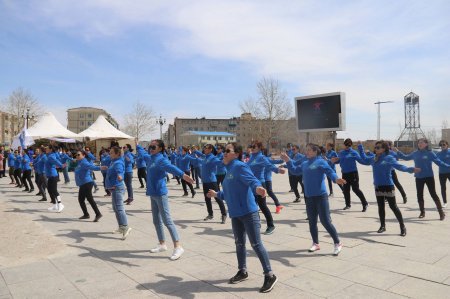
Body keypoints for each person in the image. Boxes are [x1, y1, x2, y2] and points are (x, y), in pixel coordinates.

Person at [207, 142, 278, 293]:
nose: (224, 153)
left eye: (227, 151)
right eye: (224, 151)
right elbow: (228, 193)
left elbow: (252, 180)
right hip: (236, 215)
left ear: (237, 154)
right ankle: (243, 271)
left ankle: (270, 275)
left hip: (248, 213)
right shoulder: (229, 169)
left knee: (256, 244)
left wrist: (258, 188)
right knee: (239, 244)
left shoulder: (239, 166)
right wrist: (216, 194)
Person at [281, 143, 345, 255]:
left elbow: (330, 171)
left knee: (325, 221)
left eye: (309, 150)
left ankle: (337, 242)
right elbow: (295, 170)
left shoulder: (320, 162)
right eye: (307, 150)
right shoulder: (305, 163)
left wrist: (336, 179)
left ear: (315, 152)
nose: (307, 152)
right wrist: (288, 161)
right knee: (312, 222)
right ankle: (316, 243)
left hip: (321, 196)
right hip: (309, 197)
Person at [136, 141, 195, 260]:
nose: (151, 149)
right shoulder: (151, 158)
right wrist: (136, 144)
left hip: (160, 193)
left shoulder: (161, 160)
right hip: (152, 193)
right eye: (150, 147)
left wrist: (184, 176)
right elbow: (142, 153)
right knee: (156, 220)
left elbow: (171, 168)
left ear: (160, 148)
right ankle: (162, 244)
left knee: (167, 221)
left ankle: (178, 246)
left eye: (153, 147)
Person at [358, 141, 420, 236]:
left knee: (393, 207)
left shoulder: (389, 158)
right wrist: (360, 147)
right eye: (375, 147)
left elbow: (399, 166)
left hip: (388, 186)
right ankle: (382, 226)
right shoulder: (373, 158)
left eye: (378, 147)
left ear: (384, 148)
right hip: (378, 186)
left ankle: (402, 226)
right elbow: (364, 159)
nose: (376, 149)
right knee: (381, 207)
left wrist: (410, 169)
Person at [395, 138, 449, 220]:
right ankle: (422, 212)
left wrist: (448, 166)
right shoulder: (415, 153)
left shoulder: (430, 153)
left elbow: (439, 162)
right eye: (419, 142)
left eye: (421, 142)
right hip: (419, 177)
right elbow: (405, 157)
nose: (419, 144)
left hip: (429, 177)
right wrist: (398, 151)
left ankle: (441, 212)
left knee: (433, 194)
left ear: (426, 144)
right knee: (419, 194)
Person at [246, 141, 284, 235]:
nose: (252, 147)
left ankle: (271, 225)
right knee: (252, 206)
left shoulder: (261, 157)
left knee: (262, 206)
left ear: (259, 147)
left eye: (253, 146)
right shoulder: (252, 157)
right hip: (251, 184)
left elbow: (269, 165)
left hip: (260, 184)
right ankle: (256, 224)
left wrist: (278, 170)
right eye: (251, 146)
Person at [192, 144, 228, 223]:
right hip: (205, 182)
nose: (204, 149)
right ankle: (210, 214)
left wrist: (226, 160)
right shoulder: (205, 157)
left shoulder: (213, 158)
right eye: (204, 148)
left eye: (206, 148)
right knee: (207, 198)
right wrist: (196, 156)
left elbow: (220, 163)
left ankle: (224, 214)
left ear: (211, 149)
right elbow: (201, 160)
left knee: (217, 198)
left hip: (212, 181)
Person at [331, 138, 369, 211]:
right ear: (344, 144)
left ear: (351, 145)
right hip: (344, 174)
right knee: (346, 190)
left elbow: (361, 161)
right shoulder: (341, 153)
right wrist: (334, 161)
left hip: (353, 173)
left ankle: (365, 203)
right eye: (346, 145)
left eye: (349, 145)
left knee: (355, 189)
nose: (347, 146)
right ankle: (347, 205)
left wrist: (369, 162)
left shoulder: (354, 152)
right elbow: (339, 161)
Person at [103, 146, 131, 240]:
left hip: (118, 187)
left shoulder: (118, 162)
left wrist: (120, 176)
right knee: (115, 208)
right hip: (113, 188)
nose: (110, 154)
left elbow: (120, 172)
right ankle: (121, 227)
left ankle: (126, 227)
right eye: (109, 152)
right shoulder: (113, 161)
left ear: (117, 154)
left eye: (111, 153)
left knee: (119, 208)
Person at [75, 151, 103, 222]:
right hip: (83, 184)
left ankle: (98, 214)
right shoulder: (80, 162)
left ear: (83, 155)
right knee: (81, 199)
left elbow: (92, 167)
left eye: (78, 155)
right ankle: (86, 214)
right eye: (76, 155)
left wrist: (101, 168)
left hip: (87, 183)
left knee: (90, 199)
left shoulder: (84, 162)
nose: (77, 156)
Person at [45, 145, 66, 212]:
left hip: (53, 175)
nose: (46, 149)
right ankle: (54, 205)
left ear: (50, 149)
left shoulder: (51, 156)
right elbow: (58, 157)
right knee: (49, 190)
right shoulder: (52, 154)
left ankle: (60, 204)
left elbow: (56, 161)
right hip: (50, 176)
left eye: (47, 148)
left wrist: (61, 165)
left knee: (54, 190)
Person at [437, 140, 450, 208]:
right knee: (443, 188)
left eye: (444, 144)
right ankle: (445, 202)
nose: (442, 146)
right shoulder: (438, 154)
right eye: (441, 145)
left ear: (447, 145)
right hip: (441, 173)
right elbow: (432, 159)